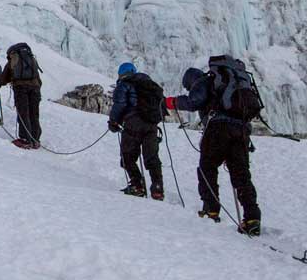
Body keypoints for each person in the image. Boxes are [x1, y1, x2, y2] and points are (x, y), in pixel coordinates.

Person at [168, 55, 263, 235]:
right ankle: (252, 217)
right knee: (241, 174)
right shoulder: (229, 84)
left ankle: (211, 209)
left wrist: (171, 102)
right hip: (241, 131)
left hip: (218, 129)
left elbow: (194, 101)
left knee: (207, 168)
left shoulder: (203, 81)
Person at [107, 62, 164, 199]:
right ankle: (157, 188)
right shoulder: (150, 85)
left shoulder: (124, 84)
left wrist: (114, 122)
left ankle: (137, 186)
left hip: (133, 124)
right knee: (152, 157)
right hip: (151, 125)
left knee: (127, 156)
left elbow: (119, 104)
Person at [0, 42, 43, 149]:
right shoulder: (31, 59)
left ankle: (25, 139)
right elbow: (37, 77)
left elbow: (4, 78)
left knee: (23, 113)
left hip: (21, 89)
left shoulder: (13, 60)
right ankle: (35, 139)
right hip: (35, 88)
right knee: (34, 113)